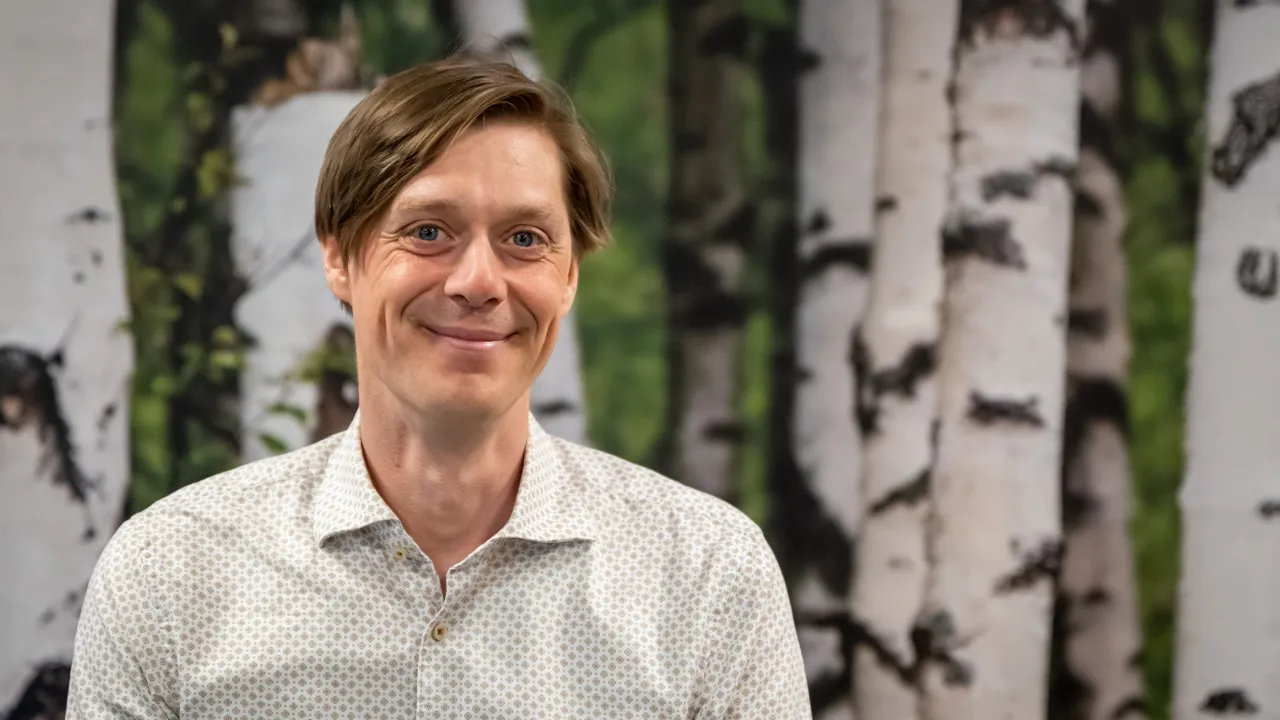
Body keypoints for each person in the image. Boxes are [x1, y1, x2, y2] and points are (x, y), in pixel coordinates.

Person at [66, 55, 810, 719]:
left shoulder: (710, 575)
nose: (479, 282)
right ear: (339, 258)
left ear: (570, 275)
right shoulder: (170, 574)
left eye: (526, 239)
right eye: (428, 232)